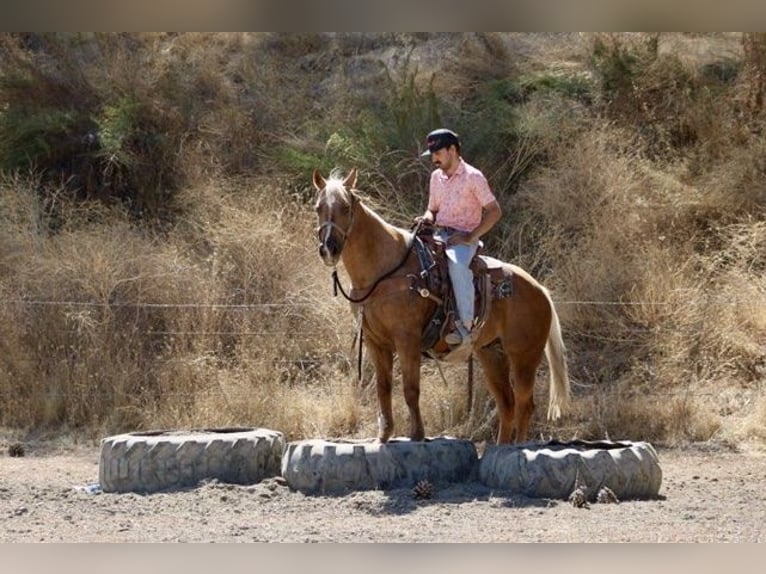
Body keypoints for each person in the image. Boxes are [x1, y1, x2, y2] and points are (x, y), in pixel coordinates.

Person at [416, 128, 502, 347]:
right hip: (437, 234)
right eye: (432, 154)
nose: (434, 158)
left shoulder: (474, 177)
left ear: (452, 150)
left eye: (438, 153)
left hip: (462, 238)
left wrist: (470, 236)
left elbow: (494, 211)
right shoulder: (436, 177)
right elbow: (432, 209)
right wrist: (425, 219)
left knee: (457, 266)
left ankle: (465, 327)